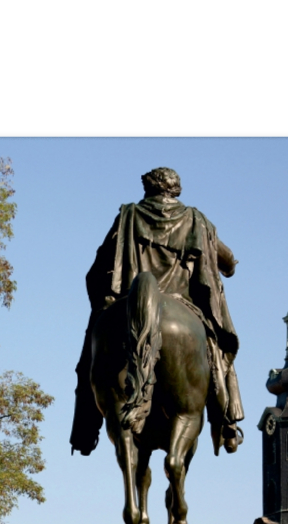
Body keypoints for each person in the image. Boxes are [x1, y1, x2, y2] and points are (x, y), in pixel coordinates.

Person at [70, 167, 244, 457]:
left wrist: (106, 302)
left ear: (148, 189)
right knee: (217, 351)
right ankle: (227, 423)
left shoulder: (128, 216)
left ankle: (85, 431)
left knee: (88, 358)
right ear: (176, 190)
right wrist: (227, 263)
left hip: (128, 306)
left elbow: (98, 269)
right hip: (183, 305)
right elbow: (227, 262)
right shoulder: (197, 220)